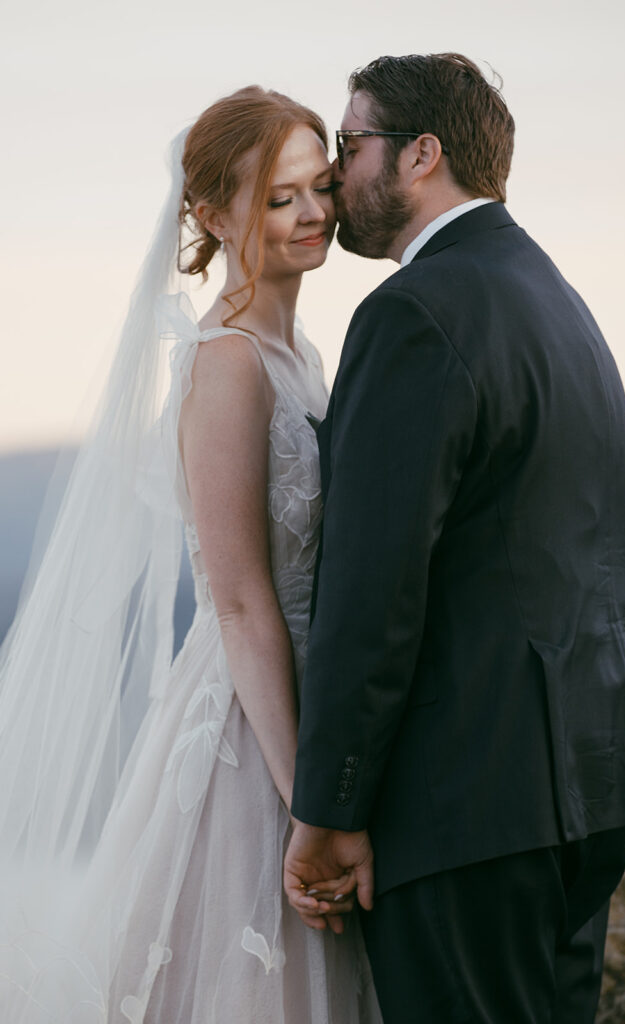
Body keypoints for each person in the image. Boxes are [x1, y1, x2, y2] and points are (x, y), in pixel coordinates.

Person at [284, 53, 625, 1023]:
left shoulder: (413, 313)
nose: (334, 173)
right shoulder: (561, 308)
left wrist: (329, 810)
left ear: (420, 155)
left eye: (348, 143)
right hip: (588, 790)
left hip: (465, 803)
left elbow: (374, 587)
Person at [0, 87, 380, 1022]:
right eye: (278, 197)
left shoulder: (303, 354)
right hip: (250, 736)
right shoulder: (227, 364)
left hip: (314, 699)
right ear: (212, 216)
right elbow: (244, 602)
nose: (313, 215)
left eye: (319, 186)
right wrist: (310, 808)